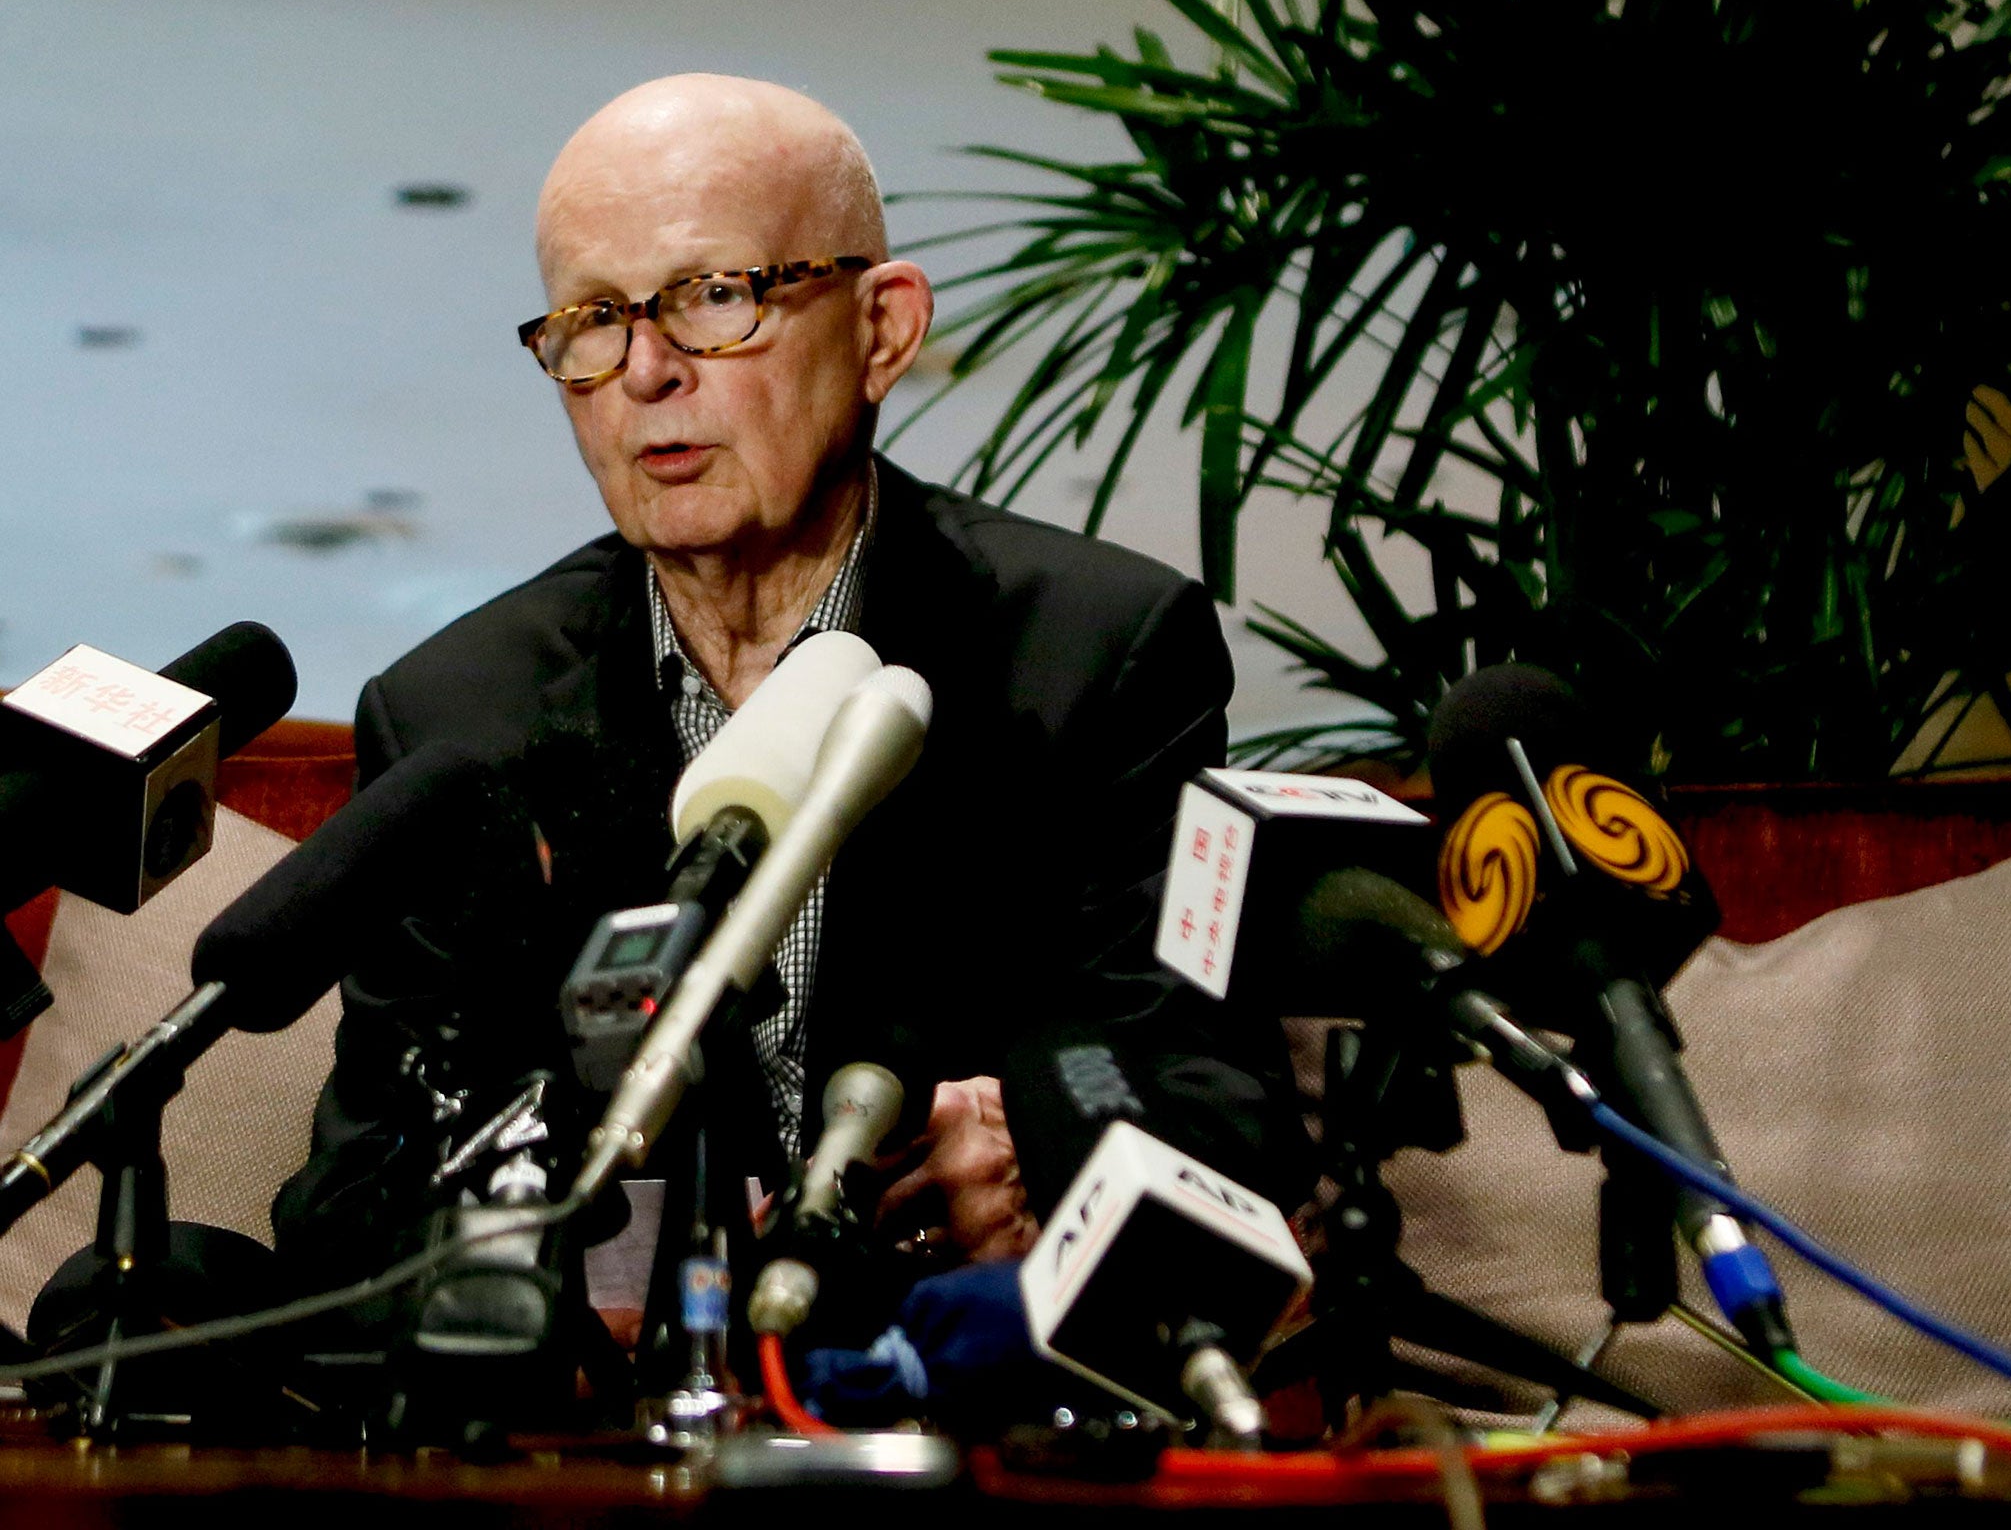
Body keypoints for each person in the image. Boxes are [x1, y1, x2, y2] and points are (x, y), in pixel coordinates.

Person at [273, 75, 1308, 1332]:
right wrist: (598, 1274)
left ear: (881, 329)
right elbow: (350, 1202)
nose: (644, 372)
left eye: (715, 299)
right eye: (591, 320)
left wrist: (1047, 1155)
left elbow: (1219, 1109)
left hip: (974, 1401)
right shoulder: (456, 712)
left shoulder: (1094, 652)